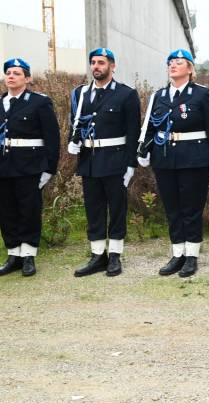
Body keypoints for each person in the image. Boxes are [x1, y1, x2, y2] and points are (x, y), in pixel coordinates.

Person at [137, 49, 209, 278]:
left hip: (195, 159)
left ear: (190, 68)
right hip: (164, 158)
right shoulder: (159, 96)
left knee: (191, 208)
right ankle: (177, 254)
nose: (173, 66)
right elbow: (150, 126)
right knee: (172, 208)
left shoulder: (202, 95)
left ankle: (192, 255)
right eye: (170, 63)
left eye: (179, 62)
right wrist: (144, 149)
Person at [67, 48, 141, 277]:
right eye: (93, 62)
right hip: (90, 161)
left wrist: (131, 165)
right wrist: (72, 140)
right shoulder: (80, 94)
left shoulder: (126, 94)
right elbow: (77, 122)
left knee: (117, 209)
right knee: (94, 209)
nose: (96, 66)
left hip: (115, 160)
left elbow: (133, 132)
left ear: (112, 66)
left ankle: (115, 255)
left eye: (101, 62)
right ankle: (98, 255)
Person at [0, 58, 60, 277]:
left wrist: (49, 169)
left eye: (16, 73)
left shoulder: (39, 103)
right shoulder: (1, 102)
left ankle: (28, 256)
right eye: (8, 72)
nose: (11, 76)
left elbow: (52, 138)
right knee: (6, 212)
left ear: (27, 78)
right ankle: (13, 255)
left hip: (29, 167)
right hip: (4, 167)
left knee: (29, 211)